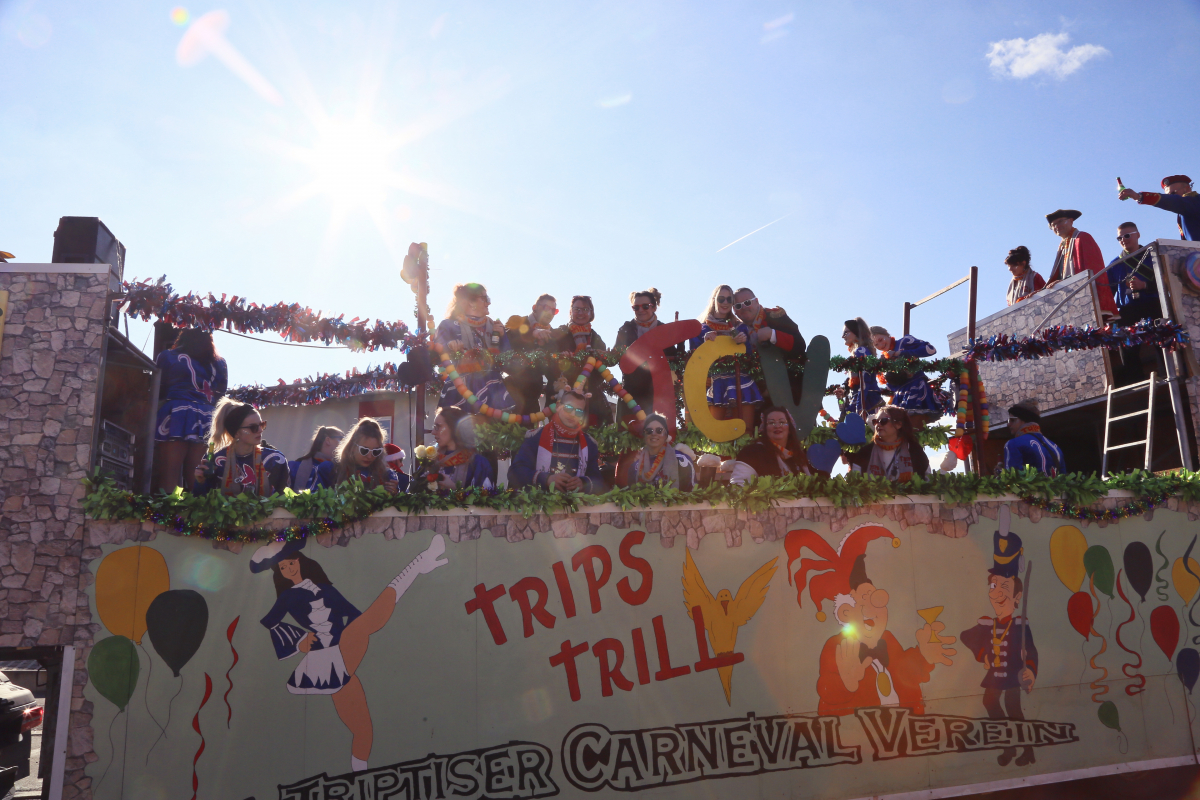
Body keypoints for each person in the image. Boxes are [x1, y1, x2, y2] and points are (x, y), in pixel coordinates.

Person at [250, 534, 448, 773]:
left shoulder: (325, 589)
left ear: (300, 561)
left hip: (343, 648)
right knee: (360, 726)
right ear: (280, 573)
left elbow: (353, 614)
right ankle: (418, 564)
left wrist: (351, 634)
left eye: (291, 563)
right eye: (283, 567)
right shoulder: (287, 597)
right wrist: (299, 641)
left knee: (363, 728)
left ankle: (360, 775)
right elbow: (270, 622)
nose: (289, 569)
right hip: (323, 660)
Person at [785, 524, 956, 717]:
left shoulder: (888, 640)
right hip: (854, 731)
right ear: (845, 613)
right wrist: (846, 683)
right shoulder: (837, 646)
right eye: (864, 599)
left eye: (877, 601)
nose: (872, 609)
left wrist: (924, 656)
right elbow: (827, 689)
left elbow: (906, 674)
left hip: (904, 729)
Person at [960, 516, 1038, 768]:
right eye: (993, 586)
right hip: (995, 675)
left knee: (1013, 709)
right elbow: (966, 636)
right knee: (989, 702)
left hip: (1014, 675)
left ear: (1017, 597)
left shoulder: (1020, 625)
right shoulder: (987, 624)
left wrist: (1030, 671)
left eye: (1004, 586)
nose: (996, 592)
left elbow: (1031, 651)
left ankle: (1027, 750)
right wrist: (983, 653)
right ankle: (1009, 747)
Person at [154, 328, 228, 492]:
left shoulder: (167, 356)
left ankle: (168, 507)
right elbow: (221, 394)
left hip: (177, 412)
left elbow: (158, 386)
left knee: (169, 473)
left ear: (183, 336)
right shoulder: (220, 363)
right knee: (198, 475)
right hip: (207, 417)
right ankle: (198, 508)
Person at [689, 284, 762, 432]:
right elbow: (693, 356)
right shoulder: (701, 328)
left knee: (745, 430)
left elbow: (750, 357)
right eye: (721, 299)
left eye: (729, 299)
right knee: (714, 433)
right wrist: (704, 343)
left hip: (741, 381)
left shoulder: (740, 327)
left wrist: (743, 343)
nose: (725, 303)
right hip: (713, 383)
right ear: (714, 300)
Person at [435, 282, 515, 413]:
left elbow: (509, 361)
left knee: (495, 425)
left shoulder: (494, 327)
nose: (488, 303)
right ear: (470, 302)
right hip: (460, 387)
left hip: (493, 389)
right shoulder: (448, 325)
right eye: (484, 298)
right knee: (459, 424)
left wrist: (502, 337)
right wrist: (449, 346)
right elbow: (435, 351)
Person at [509, 388, 604, 493]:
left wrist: (583, 483)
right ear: (558, 406)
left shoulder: (589, 443)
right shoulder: (535, 437)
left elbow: (598, 481)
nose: (573, 414)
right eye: (568, 408)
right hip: (540, 503)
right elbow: (515, 472)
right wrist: (546, 479)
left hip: (575, 503)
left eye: (578, 411)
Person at [192, 398, 289, 496]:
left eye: (262, 424)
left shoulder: (275, 460)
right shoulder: (215, 460)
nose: (260, 430)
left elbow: (286, 497)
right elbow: (201, 499)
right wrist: (200, 482)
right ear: (236, 433)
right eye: (253, 427)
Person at [613, 288, 683, 421]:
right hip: (632, 392)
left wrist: (679, 339)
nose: (640, 310)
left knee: (658, 430)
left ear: (654, 307)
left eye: (645, 306)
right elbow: (616, 357)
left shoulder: (664, 330)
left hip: (658, 393)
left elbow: (677, 361)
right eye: (636, 307)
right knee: (628, 430)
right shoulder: (626, 329)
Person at [730, 288, 807, 405]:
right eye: (738, 306)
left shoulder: (775, 316)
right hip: (756, 397)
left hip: (789, 392)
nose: (744, 307)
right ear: (734, 310)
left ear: (756, 301)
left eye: (747, 302)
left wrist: (773, 335)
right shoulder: (735, 331)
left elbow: (800, 346)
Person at [1107, 223, 1162, 385]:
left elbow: (1167, 281)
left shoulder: (1154, 255)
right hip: (1128, 310)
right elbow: (1107, 292)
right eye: (1119, 238)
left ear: (1138, 235)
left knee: (1163, 339)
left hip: (1153, 304)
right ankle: (1135, 382)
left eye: (1127, 236)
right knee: (1126, 344)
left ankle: (1168, 374)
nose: (1123, 240)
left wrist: (1144, 285)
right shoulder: (1115, 264)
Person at [1044, 209, 1117, 319]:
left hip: (1086, 297)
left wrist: (1064, 282)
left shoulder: (1082, 237)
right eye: (1053, 225)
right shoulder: (1062, 247)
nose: (1056, 226)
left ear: (1071, 221)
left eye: (1060, 221)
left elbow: (1092, 269)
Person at [554, 295, 611, 426]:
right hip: (564, 395)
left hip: (591, 397)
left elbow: (602, 368)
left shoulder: (596, 338)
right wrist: (563, 359)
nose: (580, 313)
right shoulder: (560, 333)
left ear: (591, 313)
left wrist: (604, 356)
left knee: (592, 432)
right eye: (577, 309)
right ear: (570, 312)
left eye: (585, 309)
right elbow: (550, 359)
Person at [730, 406, 827, 483]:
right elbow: (738, 486)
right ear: (764, 429)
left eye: (782, 422)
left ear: (790, 429)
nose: (777, 426)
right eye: (771, 423)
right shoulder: (752, 452)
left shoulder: (799, 457)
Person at [412, 406, 495, 492]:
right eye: (434, 427)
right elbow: (411, 494)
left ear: (454, 428)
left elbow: (487, 497)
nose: (433, 432)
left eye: (438, 427)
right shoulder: (430, 460)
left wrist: (455, 489)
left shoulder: (478, 463)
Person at [870, 326, 943, 424]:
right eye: (876, 344)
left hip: (916, 386)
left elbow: (931, 349)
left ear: (887, 335)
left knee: (915, 421)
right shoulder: (885, 358)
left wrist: (900, 353)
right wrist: (882, 368)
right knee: (898, 424)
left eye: (880, 340)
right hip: (899, 394)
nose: (881, 345)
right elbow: (892, 385)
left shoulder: (905, 341)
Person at [315, 417, 408, 492]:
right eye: (364, 450)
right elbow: (314, 502)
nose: (370, 456)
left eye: (376, 451)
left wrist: (394, 494)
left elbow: (395, 507)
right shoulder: (330, 469)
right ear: (352, 446)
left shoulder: (387, 475)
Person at [505, 294, 561, 416]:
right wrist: (534, 333)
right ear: (534, 307)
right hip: (509, 394)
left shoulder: (552, 336)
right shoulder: (517, 321)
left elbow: (552, 370)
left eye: (553, 310)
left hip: (532, 399)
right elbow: (508, 336)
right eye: (546, 307)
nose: (549, 313)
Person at [847, 406, 931, 482]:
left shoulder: (914, 450)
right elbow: (855, 481)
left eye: (883, 421)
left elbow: (928, 480)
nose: (878, 425)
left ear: (898, 425)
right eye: (875, 421)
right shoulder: (865, 452)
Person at [616, 413, 696, 490]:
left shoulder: (682, 461)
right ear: (644, 435)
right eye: (649, 431)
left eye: (659, 430)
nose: (654, 433)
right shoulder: (635, 467)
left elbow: (692, 493)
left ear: (666, 435)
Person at [1120, 175, 1200, 241]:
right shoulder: (1186, 208)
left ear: (1187, 189)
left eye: (1173, 193)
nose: (1171, 197)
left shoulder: (1195, 202)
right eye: (1168, 195)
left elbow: (1176, 201)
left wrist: (1139, 196)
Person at [834, 317, 883, 419]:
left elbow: (864, 380)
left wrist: (860, 407)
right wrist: (840, 398)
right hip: (863, 400)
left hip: (867, 402)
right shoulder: (861, 352)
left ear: (856, 333)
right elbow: (843, 410)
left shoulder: (861, 351)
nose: (843, 336)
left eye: (846, 332)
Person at [1003, 401, 1063, 475]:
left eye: (1012, 420)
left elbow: (1012, 478)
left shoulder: (1013, 444)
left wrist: (1000, 475)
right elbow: (1063, 478)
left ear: (1024, 419)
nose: (1008, 424)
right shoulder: (1055, 447)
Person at [289, 426, 344, 491]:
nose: (344, 445)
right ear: (328, 440)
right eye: (341, 440)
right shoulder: (293, 467)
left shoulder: (342, 470)